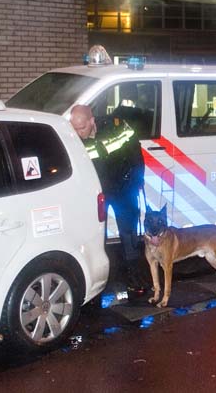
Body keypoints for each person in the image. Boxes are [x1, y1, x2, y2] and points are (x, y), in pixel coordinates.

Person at [70, 104, 146, 291]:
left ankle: (134, 277)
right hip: (97, 195)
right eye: (75, 128)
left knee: (129, 235)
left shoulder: (117, 126)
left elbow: (136, 154)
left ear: (92, 121)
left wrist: (135, 182)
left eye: (82, 128)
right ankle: (97, 283)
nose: (78, 133)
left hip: (123, 190)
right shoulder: (72, 139)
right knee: (96, 237)